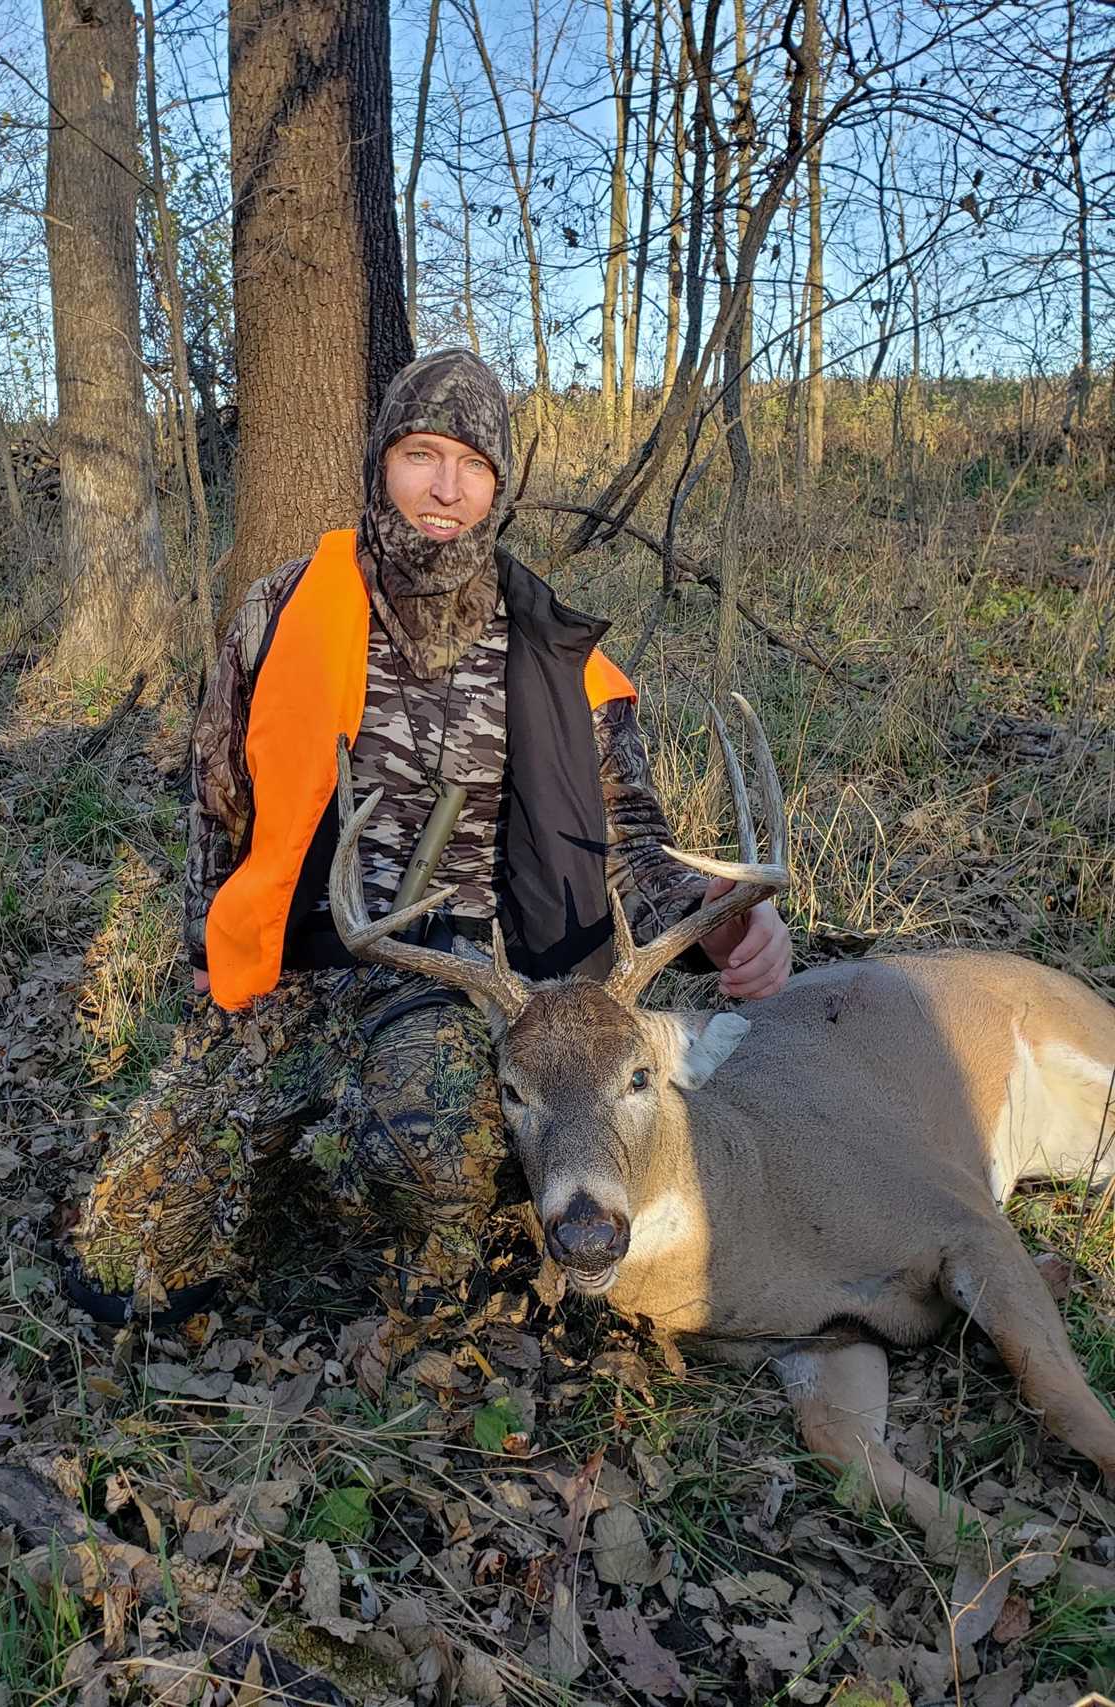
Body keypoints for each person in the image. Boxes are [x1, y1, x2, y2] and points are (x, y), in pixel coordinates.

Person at [66, 350, 790, 1325]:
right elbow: (218, 793)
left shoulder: (549, 641)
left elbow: (624, 829)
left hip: (467, 978)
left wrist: (715, 920)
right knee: (131, 1241)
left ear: (499, 487)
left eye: (472, 465)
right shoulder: (286, 607)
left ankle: (451, 1260)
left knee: (427, 1151)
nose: (445, 488)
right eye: (420, 454)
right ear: (381, 465)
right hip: (304, 957)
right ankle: (293, 1170)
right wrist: (209, 942)